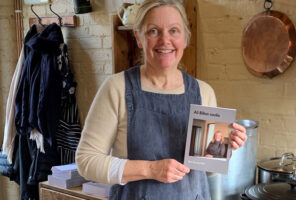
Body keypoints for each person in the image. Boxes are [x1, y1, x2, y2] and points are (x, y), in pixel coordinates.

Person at [75, 0, 247, 199]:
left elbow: (208, 170)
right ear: (139, 38)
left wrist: (225, 149)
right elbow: (86, 162)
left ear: (185, 39)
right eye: (153, 31)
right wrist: (150, 169)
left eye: (174, 31)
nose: (165, 40)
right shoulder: (117, 88)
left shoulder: (203, 92)